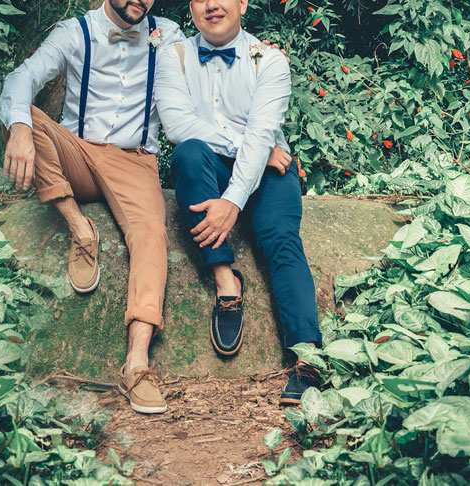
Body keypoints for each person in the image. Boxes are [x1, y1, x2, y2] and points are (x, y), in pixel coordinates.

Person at [0, 0, 185, 414]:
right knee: (25, 114)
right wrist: (20, 129)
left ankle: (137, 364)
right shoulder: (73, 32)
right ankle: (81, 229)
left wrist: (256, 59)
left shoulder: (167, 34)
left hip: (135, 160)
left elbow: (211, 72)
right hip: (77, 153)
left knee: (152, 234)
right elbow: (22, 77)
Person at [155, 0, 323, 405]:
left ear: (243, 3)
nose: (212, 5)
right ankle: (226, 281)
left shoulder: (270, 61)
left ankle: (308, 356)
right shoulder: (172, 56)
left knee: (281, 239)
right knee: (189, 154)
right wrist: (251, 145)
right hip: (214, 164)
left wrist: (234, 198)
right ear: (192, 7)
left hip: (268, 171)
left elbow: (264, 131)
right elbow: (177, 125)